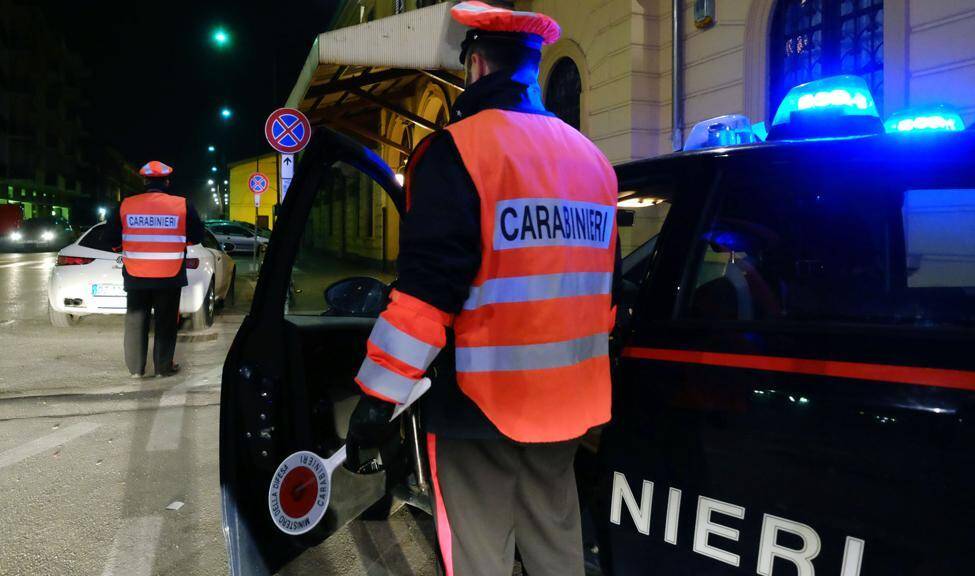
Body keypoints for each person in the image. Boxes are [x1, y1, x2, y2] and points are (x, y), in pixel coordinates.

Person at [345, 2, 619, 574]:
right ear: (531, 66)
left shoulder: (459, 150)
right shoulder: (594, 162)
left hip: (481, 403)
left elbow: (425, 298)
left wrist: (377, 398)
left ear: (475, 66)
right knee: (555, 538)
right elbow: (605, 292)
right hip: (570, 401)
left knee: (479, 549)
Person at [103, 161, 205, 378]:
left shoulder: (125, 204)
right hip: (170, 274)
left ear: (144, 181)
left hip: (136, 274)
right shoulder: (182, 204)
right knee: (166, 322)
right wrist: (178, 242)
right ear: (167, 182)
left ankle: (136, 370)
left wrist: (127, 246)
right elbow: (196, 236)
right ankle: (163, 367)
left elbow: (110, 238)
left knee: (135, 321)